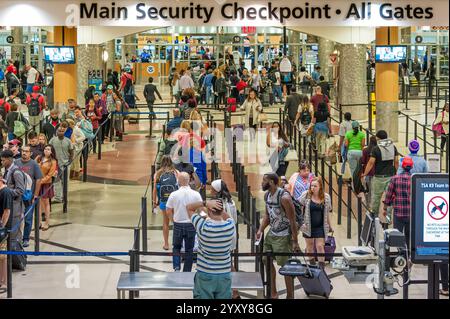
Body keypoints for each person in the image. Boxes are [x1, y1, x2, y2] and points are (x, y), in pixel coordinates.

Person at [256, 173, 299, 299]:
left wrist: (295, 241)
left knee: (286, 266)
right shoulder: (267, 195)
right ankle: (273, 293)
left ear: (272, 182)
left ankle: (290, 295)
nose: (262, 182)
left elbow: (292, 220)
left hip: (284, 235)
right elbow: (267, 215)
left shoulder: (284, 198)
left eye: (264, 180)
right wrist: (260, 230)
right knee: (266, 261)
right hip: (272, 233)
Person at [186, 197, 236, 299]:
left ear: (209, 210)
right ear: (222, 210)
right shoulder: (230, 226)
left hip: (205, 274)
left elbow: (189, 208)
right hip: (224, 274)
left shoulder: (202, 226)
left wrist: (205, 202)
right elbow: (227, 217)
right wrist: (220, 209)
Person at [165, 172, 202, 272]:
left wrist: (173, 219)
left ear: (178, 181)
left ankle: (176, 267)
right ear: (189, 180)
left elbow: (168, 210)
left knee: (176, 247)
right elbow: (200, 210)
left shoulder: (174, 194)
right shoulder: (196, 194)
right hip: (191, 224)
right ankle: (187, 270)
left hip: (178, 224)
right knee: (189, 249)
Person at [361, 130, 399, 220]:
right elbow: (396, 161)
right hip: (390, 176)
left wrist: (364, 173)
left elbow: (371, 163)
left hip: (379, 177)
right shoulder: (393, 147)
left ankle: (374, 218)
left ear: (378, 138)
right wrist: (396, 173)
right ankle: (388, 218)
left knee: (376, 197)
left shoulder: (376, 149)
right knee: (389, 197)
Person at [298, 176, 333, 269]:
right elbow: (298, 208)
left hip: (320, 227)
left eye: (315, 186)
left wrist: (330, 226)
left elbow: (327, 214)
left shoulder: (326, 197)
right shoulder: (306, 195)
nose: (312, 188)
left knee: (320, 246)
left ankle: (321, 267)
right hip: (308, 226)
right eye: (311, 186)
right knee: (309, 246)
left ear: (320, 187)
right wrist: (301, 222)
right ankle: (312, 265)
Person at [383, 156, 413, 249]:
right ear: (411, 167)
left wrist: (385, 207)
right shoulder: (414, 179)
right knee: (409, 236)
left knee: (398, 236)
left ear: (402, 166)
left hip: (398, 212)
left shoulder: (395, 178)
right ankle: (407, 255)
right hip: (411, 214)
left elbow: (389, 194)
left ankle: (400, 255)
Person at [15, 145, 43, 248]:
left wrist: (35, 194)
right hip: (17, 195)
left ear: (30, 153)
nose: (24, 153)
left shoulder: (34, 164)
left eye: (26, 151)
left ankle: (26, 238)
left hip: (28, 196)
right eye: (23, 151)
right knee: (16, 218)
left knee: (28, 218)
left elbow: (39, 179)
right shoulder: (16, 162)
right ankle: (16, 238)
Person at [153, 155, 179, 251]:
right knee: (176, 221)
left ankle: (166, 244)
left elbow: (155, 189)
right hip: (175, 201)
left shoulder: (158, 174)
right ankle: (177, 242)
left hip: (164, 201)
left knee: (165, 222)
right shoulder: (176, 173)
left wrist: (154, 202)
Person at [1, 150, 25, 242]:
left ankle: (17, 255)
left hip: (15, 209)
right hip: (8, 206)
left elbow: (20, 191)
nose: (2, 162)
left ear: (9, 159)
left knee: (14, 236)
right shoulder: (7, 171)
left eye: (3, 160)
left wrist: (5, 191)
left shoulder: (16, 172)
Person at [49, 127, 74, 203]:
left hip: (65, 164)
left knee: (65, 181)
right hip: (55, 164)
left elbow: (71, 151)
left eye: (62, 131)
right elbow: (49, 149)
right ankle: (58, 197)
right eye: (59, 131)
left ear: (64, 132)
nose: (60, 132)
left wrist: (69, 161)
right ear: (56, 132)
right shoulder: (52, 140)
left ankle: (64, 197)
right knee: (56, 181)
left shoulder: (68, 141)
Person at [35, 145, 56, 231]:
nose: (46, 150)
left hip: (46, 183)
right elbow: (34, 166)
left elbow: (50, 175)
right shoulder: (39, 158)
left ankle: (47, 222)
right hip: (38, 183)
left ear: (51, 151)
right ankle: (39, 222)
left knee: (46, 202)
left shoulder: (53, 161)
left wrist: (40, 181)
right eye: (45, 149)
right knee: (39, 203)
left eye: (48, 149)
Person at [360, 136, 377, 204]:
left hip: (366, 172)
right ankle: (373, 203)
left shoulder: (365, 150)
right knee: (374, 190)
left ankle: (368, 203)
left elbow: (362, 162)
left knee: (367, 189)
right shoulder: (377, 150)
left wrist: (362, 172)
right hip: (375, 172)